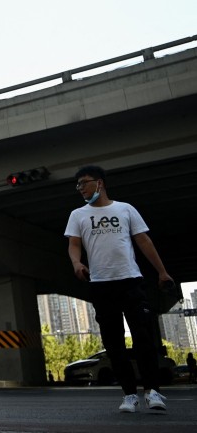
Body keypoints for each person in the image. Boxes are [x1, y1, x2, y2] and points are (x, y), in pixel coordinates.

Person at [65, 165, 171, 413]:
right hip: (101, 285)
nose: (80, 188)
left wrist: (162, 271)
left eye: (84, 183)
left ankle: (153, 391)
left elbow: (143, 240)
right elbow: (74, 244)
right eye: (78, 185)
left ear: (99, 183)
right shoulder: (78, 214)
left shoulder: (125, 209)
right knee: (114, 345)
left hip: (131, 281)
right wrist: (77, 263)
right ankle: (130, 395)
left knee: (143, 339)